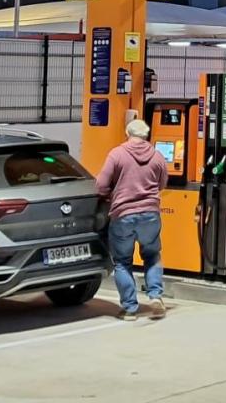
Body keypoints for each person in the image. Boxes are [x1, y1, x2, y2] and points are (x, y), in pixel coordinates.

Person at [95, 117, 168, 320]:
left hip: (123, 214)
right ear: (146, 136)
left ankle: (130, 308)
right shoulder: (158, 156)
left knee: (122, 261)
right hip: (151, 215)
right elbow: (162, 184)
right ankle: (155, 296)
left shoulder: (117, 154)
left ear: (128, 134)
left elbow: (100, 185)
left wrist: (111, 194)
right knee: (152, 255)